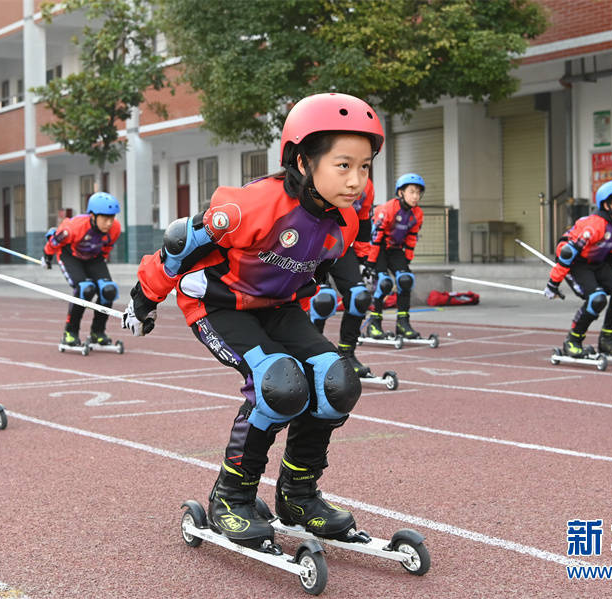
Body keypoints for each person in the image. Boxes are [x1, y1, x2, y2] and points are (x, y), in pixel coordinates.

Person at [121, 92, 384, 549]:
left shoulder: (343, 219)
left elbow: (330, 265)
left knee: (337, 381)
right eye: (344, 165)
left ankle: (298, 497)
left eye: (364, 167)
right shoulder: (250, 208)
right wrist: (142, 300)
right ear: (303, 163)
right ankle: (231, 497)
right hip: (218, 306)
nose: (357, 180)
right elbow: (180, 246)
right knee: (280, 385)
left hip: (278, 308)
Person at [544, 179, 612, 358]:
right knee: (597, 299)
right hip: (577, 264)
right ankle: (573, 341)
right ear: (607, 205)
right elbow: (568, 254)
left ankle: (607, 340)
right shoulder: (595, 225)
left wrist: (610, 283)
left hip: (597, 264)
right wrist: (553, 284)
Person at [306, 176, 374, 377]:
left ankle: (347, 354)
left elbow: (363, 221)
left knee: (359, 296)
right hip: (312, 243)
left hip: (343, 244)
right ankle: (310, 356)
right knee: (322, 301)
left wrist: (364, 258)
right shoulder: (323, 173)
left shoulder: (366, 185)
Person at [42, 192, 122, 351]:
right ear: (92, 215)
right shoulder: (73, 228)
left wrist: (100, 269)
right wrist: (47, 257)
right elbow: (53, 244)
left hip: (94, 257)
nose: (109, 222)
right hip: (70, 256)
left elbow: (106, 248)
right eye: (105, 218)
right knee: (85, 289)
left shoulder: (115, 228)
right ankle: (70, 333)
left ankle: (97, 332)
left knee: (108, 290)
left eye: (112, 218)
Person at [365, 173, 425, 340]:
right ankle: (374, 324)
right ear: (401, 193)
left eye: (418, 193)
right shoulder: (387, 209)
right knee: (384, 283)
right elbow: (375, 238)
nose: (416, 196)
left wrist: (406, 260)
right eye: (412, 192)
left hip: (396, 249)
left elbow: (412, 238)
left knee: (405, 279)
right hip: (379, 248)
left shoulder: (417, 213)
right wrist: (370, 263)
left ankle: (403, 323)